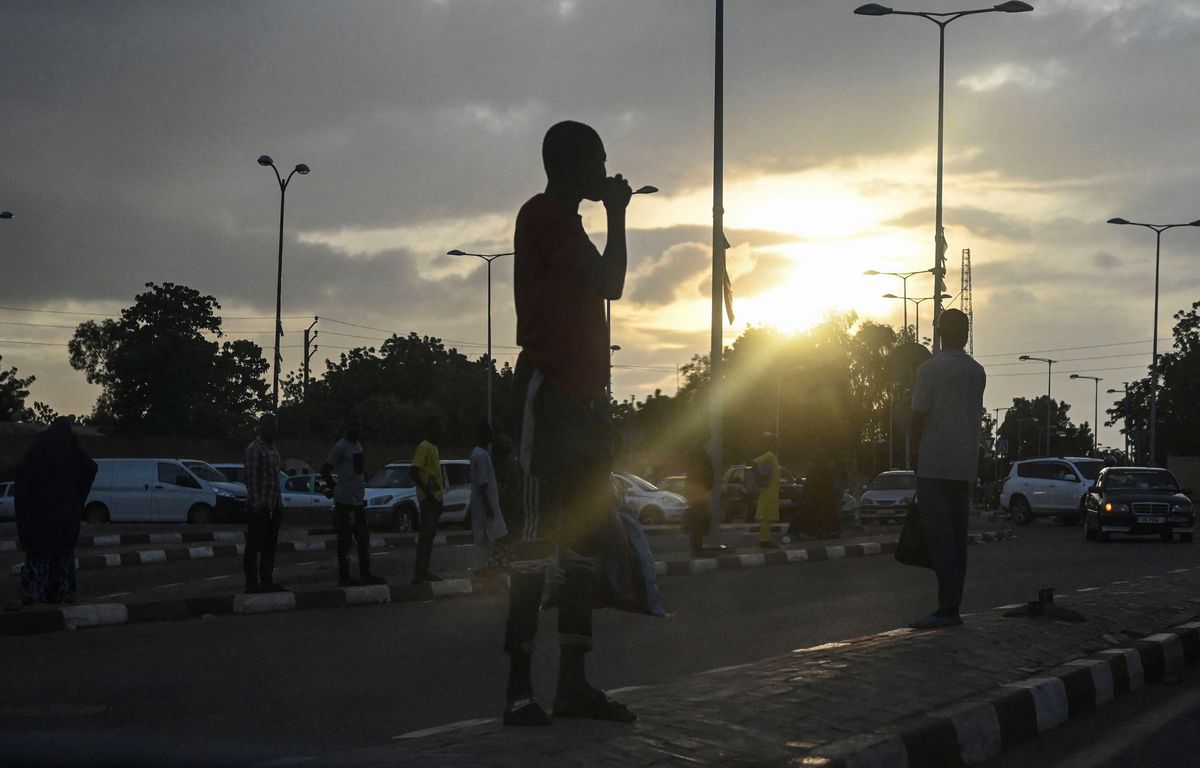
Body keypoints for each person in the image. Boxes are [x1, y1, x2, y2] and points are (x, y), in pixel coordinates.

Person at [502, 120, 635, 727]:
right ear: (572, 165)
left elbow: (605, 286)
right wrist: (620, 214)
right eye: (599, 163)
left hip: (585, 403)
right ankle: (518, 690)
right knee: (534, 544)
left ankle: (574, 687)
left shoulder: (564, 222)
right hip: (549, 396)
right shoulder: (544, 217)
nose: (605, 174)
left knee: (581, 547)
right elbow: (613, 282)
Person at [909, 308, 986, 630]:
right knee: (956, 538)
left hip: (935, 462)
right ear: (966, 335)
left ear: (940, 333)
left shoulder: (930, 369)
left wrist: (914, 456)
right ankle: (953, 603)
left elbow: (918, 415)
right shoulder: (977, 372)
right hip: (964, 463)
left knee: (939, 536)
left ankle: (946, 608)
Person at [14, 416, 97, 605]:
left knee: (38, 555)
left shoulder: (36, 451)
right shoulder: (70, 452)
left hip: (36, 517)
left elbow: (21, 479)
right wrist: (76, 497)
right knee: (61, 555)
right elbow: (90, 468)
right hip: (63, 517)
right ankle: (62, 594)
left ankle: (35, 595)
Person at [322, 417, 384, 587]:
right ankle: (344, 576)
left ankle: (366, 573)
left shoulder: (357, 446)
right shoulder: (341, 446)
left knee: (363, 540)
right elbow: (325, 469)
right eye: (353, 426)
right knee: (345, 541)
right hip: (345, 502)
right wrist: (334, 487)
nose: (357, 429)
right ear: (347, 428)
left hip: (357, 501)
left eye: (358, 426)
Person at [244, 415, 286, 593]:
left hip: (274, 504)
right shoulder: (255, 449)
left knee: (270, 546)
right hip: (260, 506)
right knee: (254, 546)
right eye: (270, 427)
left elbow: (274, 479)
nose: (274, 431)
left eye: (275, 427)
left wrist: (278, 504)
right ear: (262, 428)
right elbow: (252, 480)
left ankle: (267, 580)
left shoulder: (273, 449)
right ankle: (252, 583)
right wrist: (257, 506)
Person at [468, 421, 507, 573]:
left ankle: (482, 568)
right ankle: (481, 569)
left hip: (480, 505)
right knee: (486, 540)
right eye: (489, 432)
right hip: (484, 505)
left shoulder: (476, 453)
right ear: (483, 435)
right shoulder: (482, 455)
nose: (492, 435)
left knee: (483, 539)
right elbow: (483, 485)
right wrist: (489, 507)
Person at [409, 415, 444, 584]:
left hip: (435, 500)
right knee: (425, 537)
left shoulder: (434, 448)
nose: (440, 431)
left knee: (430, 536)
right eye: (437, 428)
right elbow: (414, 472)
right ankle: (419, 573)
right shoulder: (424, 447)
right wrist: (429, 495)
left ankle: (425, 570)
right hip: (428, 500)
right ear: (430, 429)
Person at [751, 435, 781, 548]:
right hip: (768, 492)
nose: (779, 445)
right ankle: (764, 540)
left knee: (769, 517)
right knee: (767, 517)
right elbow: (754, 463)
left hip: (772, 492)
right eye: (778, 442)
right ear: (773, 444)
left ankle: (765, 539)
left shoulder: (773, 457)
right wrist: (761, 476)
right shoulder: (769, 455)